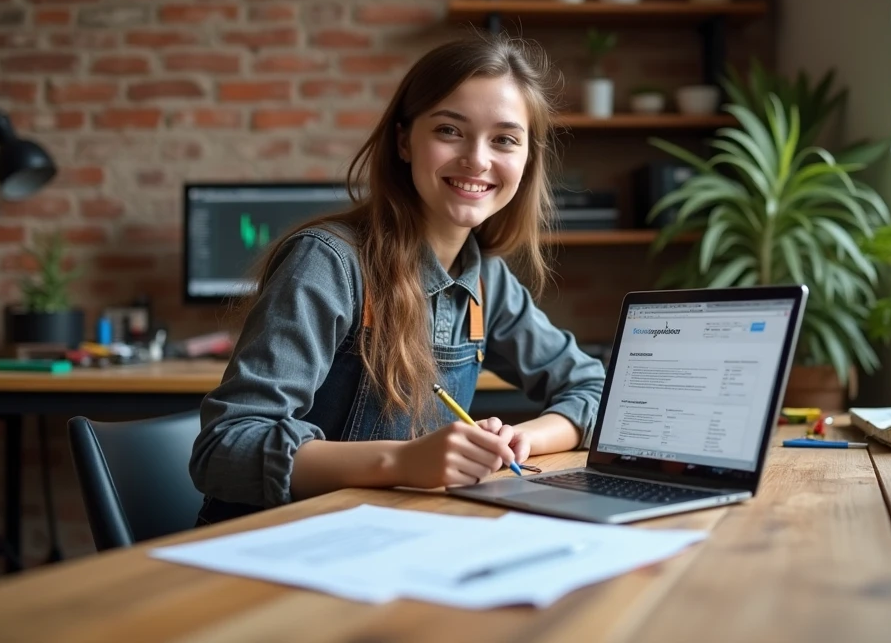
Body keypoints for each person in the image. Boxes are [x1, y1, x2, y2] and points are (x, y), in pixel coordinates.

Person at [190, 32, 606, 523]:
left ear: (526, 160)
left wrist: (522, 439)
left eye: (505, 140)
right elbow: (225, 447)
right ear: (405, 141)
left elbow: (594, 389)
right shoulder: (327, 263)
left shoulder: (485, 280)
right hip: (277, 549)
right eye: (450, 130)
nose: (477, 158)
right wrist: (404, 462)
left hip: (397, 535)